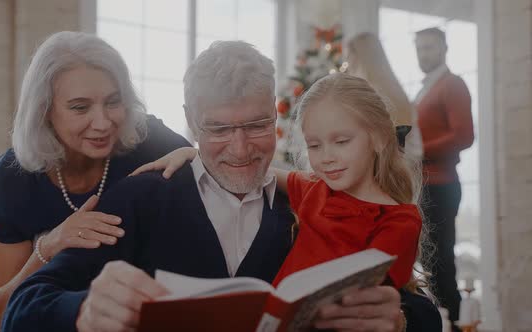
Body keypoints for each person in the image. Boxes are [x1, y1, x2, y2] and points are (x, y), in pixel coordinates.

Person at [2, 41, 441, 332]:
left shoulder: (321, 199)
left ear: (276, 116)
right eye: (217, 130)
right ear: (190, 123)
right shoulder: (142, 196)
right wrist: (82, 310)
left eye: (256, 125)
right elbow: (23, 305)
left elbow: (422, 309)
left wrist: (399, 317)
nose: (240, 149)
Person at [0, 31, 190, 332]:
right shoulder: (12, 177)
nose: (103, 123)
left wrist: (192, 154)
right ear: (45, 110)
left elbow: (223, 162)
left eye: (113, 102)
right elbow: (2, 315)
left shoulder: (148, 140)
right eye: (80, 107)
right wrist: (50, 244)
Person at [138, 73, 424, 292]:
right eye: (314, 145)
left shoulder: (400, 222)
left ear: (379, 137)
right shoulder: (314, 190)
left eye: (341, 141)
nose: (326, 158)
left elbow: (373, 305)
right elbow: (255, 169)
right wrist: (196, 154)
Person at [414, 27, 474, 329]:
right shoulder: (426, 88)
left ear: (444, 48)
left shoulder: (452, 84)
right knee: (431, 266)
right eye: (419, 48)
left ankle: (455, 325)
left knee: (440, 267)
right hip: (426, 186)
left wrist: (418, 150)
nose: (423, 53)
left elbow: (464, 136)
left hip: (441, 185)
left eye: (429, 47)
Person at [346, 32, 423, 163]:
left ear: (357, 57)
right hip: (406, 168)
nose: (347, 61)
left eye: (349, 56)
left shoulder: (371, 94)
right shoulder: (395, 91)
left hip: (388, 171)